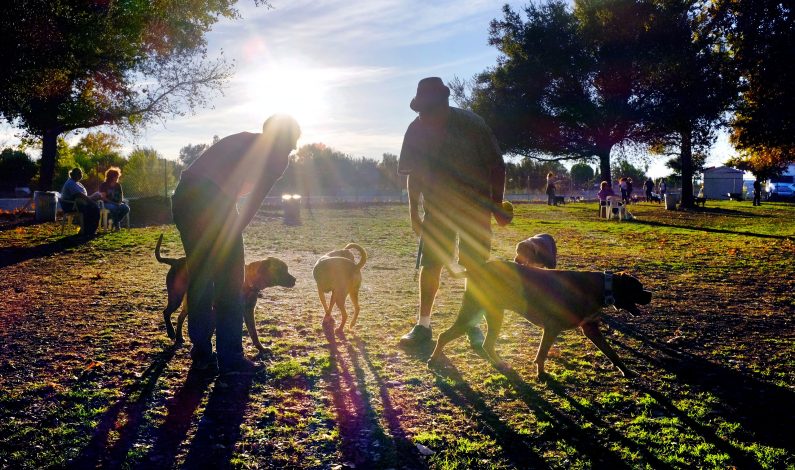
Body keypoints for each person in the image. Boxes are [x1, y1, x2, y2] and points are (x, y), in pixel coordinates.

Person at [171, 114, 301, 375]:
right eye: (290, 143)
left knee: (201, 278)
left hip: (186, 197)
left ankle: (204, 355)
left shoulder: (245, 139)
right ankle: (229, 356)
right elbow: (254, 200)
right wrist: (234, 232)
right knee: (230, 281)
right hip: (208, 198)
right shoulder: (276, 156)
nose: (291, 150)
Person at [397, 77, 507, 351]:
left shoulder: (473, 125)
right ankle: (423, 325)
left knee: (476, 266)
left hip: (475, 206)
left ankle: (472, 323)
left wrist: (497, 205)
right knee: (431, 263)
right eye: (420, 111)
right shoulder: (416, 130)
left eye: (429, 110)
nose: (424, 117)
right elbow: (414, 174)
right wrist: (413, 213)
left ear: (445, 105)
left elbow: (498, 166)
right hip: (438, 208)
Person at [60, 168, 100, 237]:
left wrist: (92, 198)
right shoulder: (70, 183)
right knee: (94, 208)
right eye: (79, 173)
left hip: (78, 203)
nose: (80, 175)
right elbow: (78, 195)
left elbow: (82, 196)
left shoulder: (76, 183)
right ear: (73, 174)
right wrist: (91, 200)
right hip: (70, 205)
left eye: (81, 173)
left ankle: (89, 230)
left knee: (95, 207)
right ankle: (88, 230)